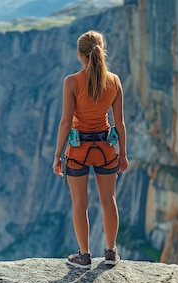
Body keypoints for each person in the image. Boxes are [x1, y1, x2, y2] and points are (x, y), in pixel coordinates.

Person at [51, 30, 128, 269]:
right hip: (105, 148)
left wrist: (57, 156)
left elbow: (65, 122)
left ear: (80, 55)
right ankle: (111, 252)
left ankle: (84, 256)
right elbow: (119, 123)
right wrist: (123, 154)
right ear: (101, 51)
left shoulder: (72, 82)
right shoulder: (114, 81)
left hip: (78, 149)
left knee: (80, 203)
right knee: (108, 200)